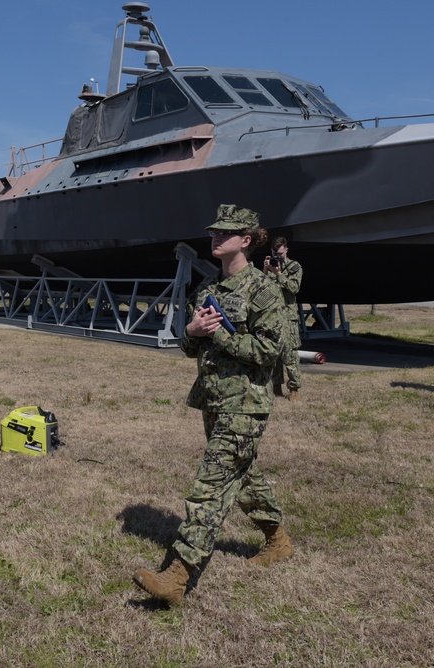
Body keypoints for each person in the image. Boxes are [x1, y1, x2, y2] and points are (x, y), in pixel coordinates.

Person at [132, 204, 294, 605]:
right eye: (214, 232)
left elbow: (270, 351)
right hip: (214, 402)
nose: (216, 238)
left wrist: (219, 336)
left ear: (246, 240)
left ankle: (178, 576)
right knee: (244, 477)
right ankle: (278, 539)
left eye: (226, 233)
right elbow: (191, 349)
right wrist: (191, 330)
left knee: (210, 487)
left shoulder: (264, 290)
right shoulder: (208, 291)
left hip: (245, 406)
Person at [262, 237, 303, 401]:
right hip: (272, 317)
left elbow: (294, 288)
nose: (277, 256)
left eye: (279, 253)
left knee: (290, 355)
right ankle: (276, 387)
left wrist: (278, 274)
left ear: (286, 250)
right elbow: (260, 287)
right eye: (274, 253)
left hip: (288, 317)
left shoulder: (294, 267)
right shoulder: (270, 266)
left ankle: (294, 389)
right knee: (274, 353)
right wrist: (265, 270)